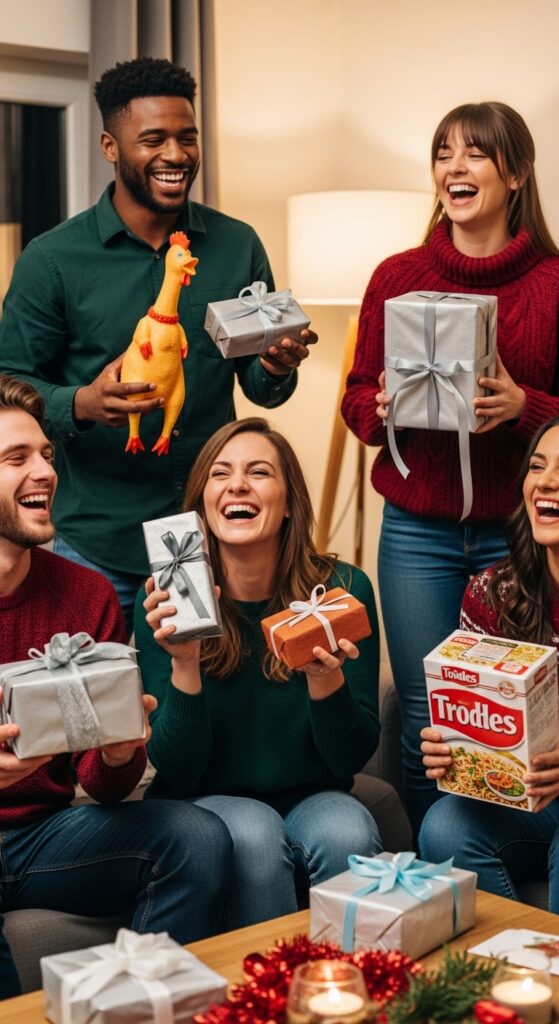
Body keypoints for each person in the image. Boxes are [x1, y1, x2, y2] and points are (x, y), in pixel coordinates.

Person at [0, 57, 317, 633]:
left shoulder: (237, 245)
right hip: (94, 541)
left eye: (186, 138)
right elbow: (9, 382)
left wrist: (275, 365)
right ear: (110, 146)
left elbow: (262, 389)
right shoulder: (51, 260)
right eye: (153, 139)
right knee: (93, 690)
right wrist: (82, 403)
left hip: (206, 536)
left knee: (194, 683)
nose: (176, 154)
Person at [341, 101, 559, 834]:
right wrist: (386, 408)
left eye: (474, 153)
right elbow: (355, 400)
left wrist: (525, 408)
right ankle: (436, 862)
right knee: (425, 719)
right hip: (416, 536)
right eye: (443, 153)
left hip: (518, 536)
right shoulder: (395, 276)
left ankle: (505, 853)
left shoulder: (553, 285)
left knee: (517, 712)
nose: (453, 168)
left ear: (516, 173)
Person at [0, 375, 232, 999]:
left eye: (46, 455)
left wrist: (120, 752)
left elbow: (102, 786)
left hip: (41, 835)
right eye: (17, 459)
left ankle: (139, 1006)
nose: (45, 472)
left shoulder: (86, 593)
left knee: (196, 836)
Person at [136, 416, 382, 928]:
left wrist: (325, 679)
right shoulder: (165, 601)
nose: (237, 485)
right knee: (253, 834)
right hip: (205, 799)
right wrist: (185, 662)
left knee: (349, 833)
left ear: (289, 502)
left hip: (314, 793)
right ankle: (266, 977)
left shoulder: (340, 591)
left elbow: (351, 757)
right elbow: (177, 769)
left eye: (259, 472)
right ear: (203, 503)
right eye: (220, 473)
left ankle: (351, 975)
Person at [419, 417, 559, 911]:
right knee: (444, 825)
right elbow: (475, 709)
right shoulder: (492, 591)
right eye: (537, 466)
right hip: (531, 800)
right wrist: (452, 748)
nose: (547, 482)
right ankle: (512, 953)